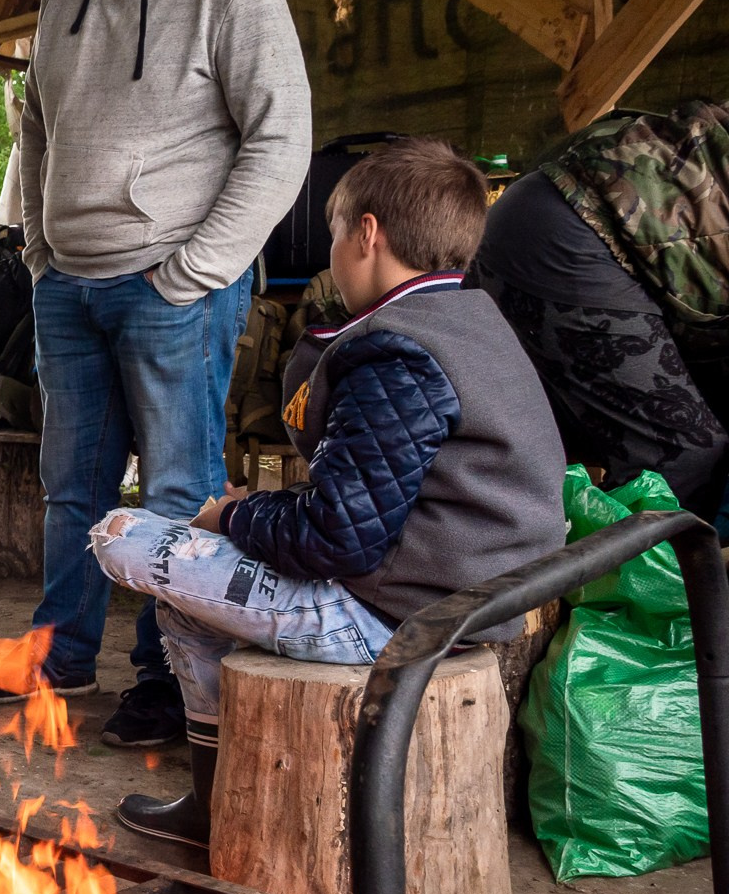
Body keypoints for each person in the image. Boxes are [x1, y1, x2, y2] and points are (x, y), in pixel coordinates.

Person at [88, 140, 566, 848]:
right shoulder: (473, 320)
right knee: (189, 605)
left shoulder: (397, 350)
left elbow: (337, 537)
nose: (333, 254)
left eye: (337, 233)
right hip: (475, 598)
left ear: (367, 234)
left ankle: (218, 809)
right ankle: (217, 802)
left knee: (123, 536)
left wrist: (234, 513)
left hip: (398, 620)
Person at [0, 0, 312, 751]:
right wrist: (40, 252)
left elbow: (280, 140)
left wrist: (194, 271)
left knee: (176, 491)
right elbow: (37, 129)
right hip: (68, 287)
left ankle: (167, 683)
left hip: (172, 289)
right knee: (70, 490)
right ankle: (56, 663)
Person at [467, 100, 729, 524]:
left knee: (549, 433)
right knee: (679, 453)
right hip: (571, 233)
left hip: (588, 232)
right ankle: (612, 586)